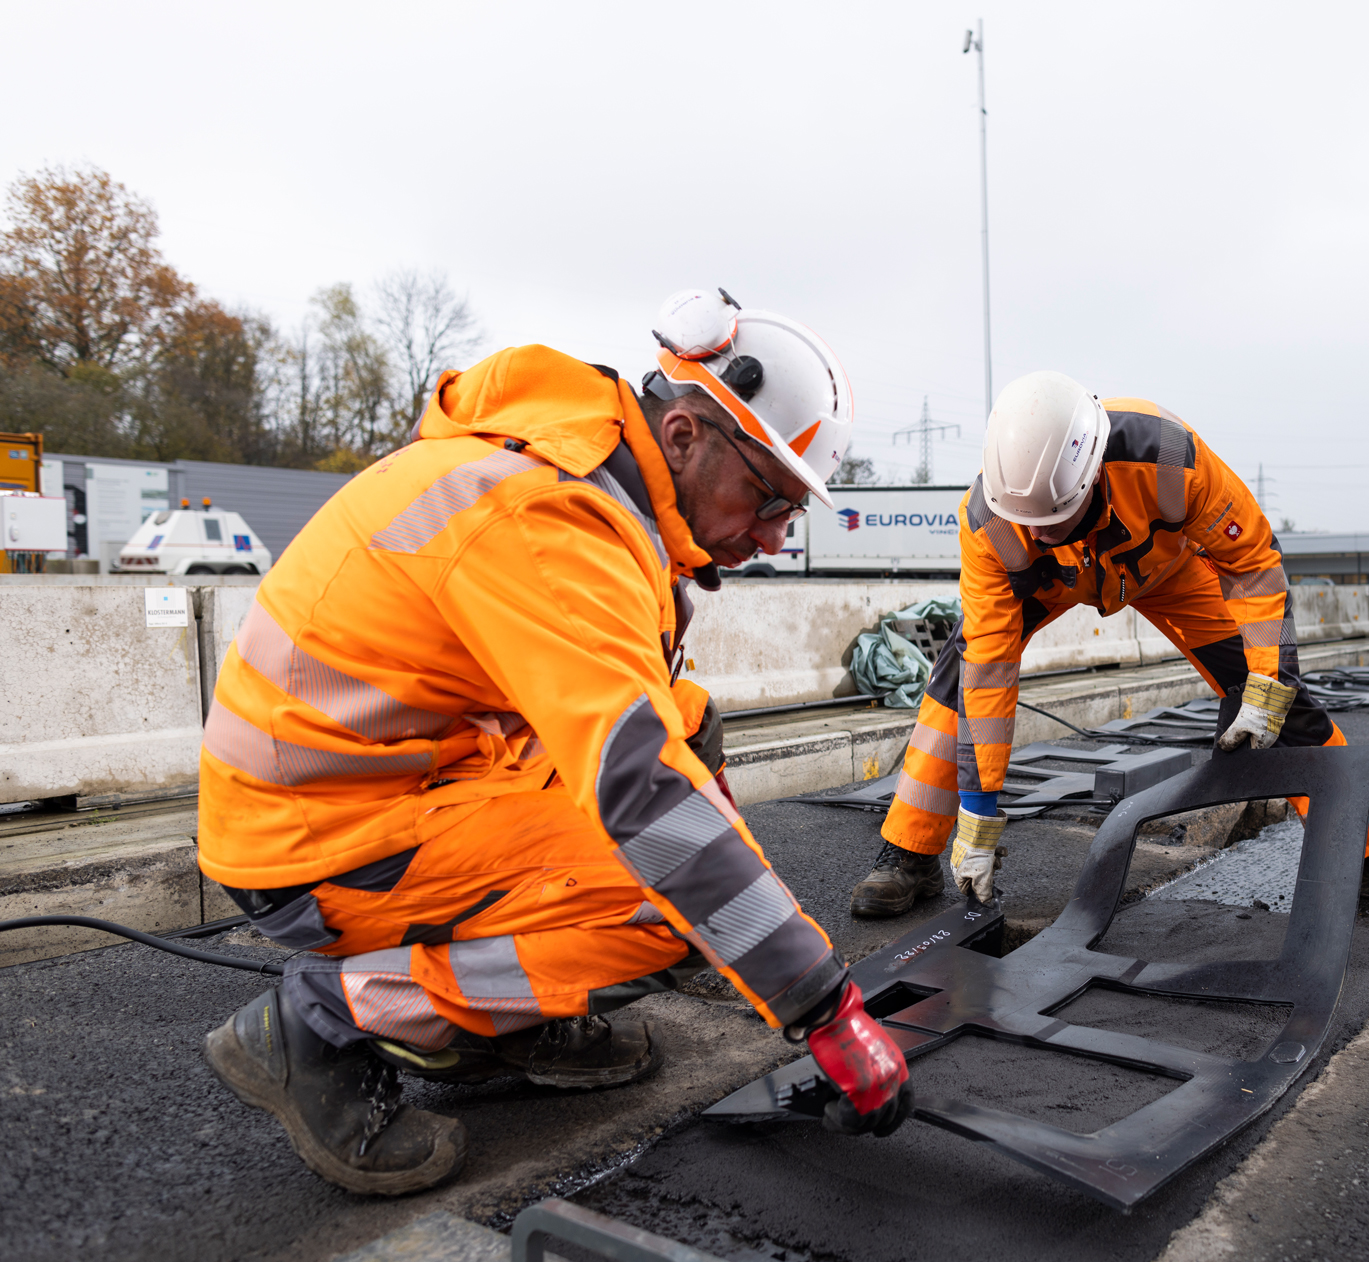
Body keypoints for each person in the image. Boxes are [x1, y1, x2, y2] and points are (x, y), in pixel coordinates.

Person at [199, 289, 911, 1196]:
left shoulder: (587, 474)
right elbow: (646, 795)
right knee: (662, 902)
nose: (773, 536)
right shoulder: (549, 520)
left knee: (685, 738)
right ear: (685, 434)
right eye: (768, 497)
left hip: (393, 778)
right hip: (313, 842)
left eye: (791, 514)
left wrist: (754, 926)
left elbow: (660, 741)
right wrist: (820, 1004)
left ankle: (514, 1019)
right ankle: (318, 1022)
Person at [849, 371, 1369, 921]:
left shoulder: (1169, 456)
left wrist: (1267, 687)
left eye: (1057, 519)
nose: (1041, 532)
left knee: (1280, 695)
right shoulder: (991, 522)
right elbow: (989, 669)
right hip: (1052, 581)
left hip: (1165, 570)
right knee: (958, 681)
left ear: (1091, 474)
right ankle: (910, 852)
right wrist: (978, 819)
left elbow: (1251, 564)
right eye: (1030, 525)